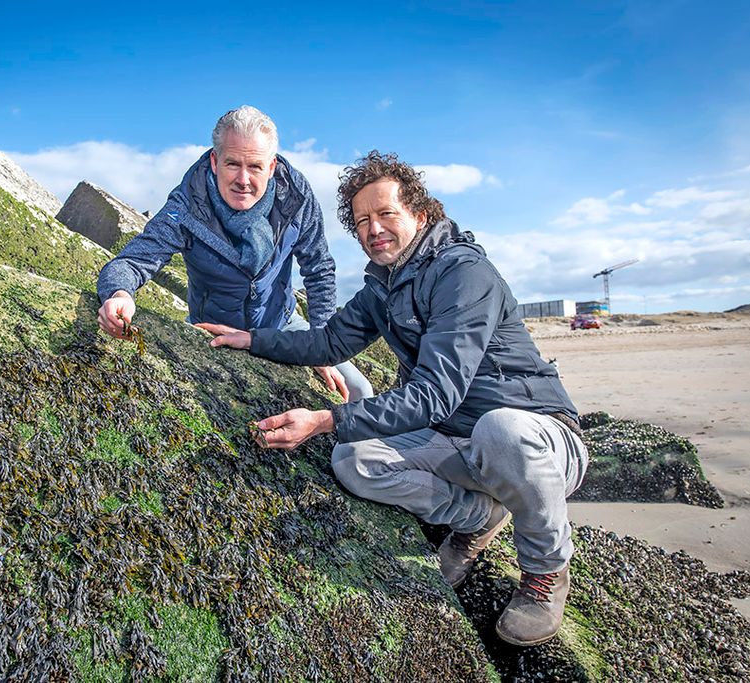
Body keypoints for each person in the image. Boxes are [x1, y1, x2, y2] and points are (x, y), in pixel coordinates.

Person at [197, 150, 589, 647]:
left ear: (421, 216)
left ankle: (545, 572)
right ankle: (477, 517)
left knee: (500, 429)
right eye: (362, 221)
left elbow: (436, 392)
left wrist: (323, 420)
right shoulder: (382, 288)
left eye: (386, 214)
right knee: (354, 460)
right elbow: (328, 343)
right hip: (455, 440)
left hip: (540, 438)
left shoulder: (464, 275)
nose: (373, 228)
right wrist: (252, 338)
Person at [96, 106, 373, 401]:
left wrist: (321, 346)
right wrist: (119, 295)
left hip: (282, 325)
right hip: (212, 329)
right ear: (215, 161)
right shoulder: (187, 204)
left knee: (359, 390)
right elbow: (133, 261)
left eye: (254, 166)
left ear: (271, 166)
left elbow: (319, 270)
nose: (243, 179)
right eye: (232, 164)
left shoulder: (297, 198)